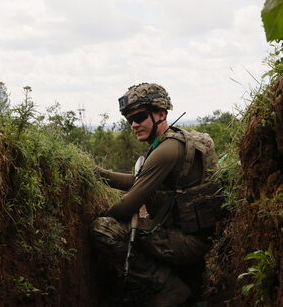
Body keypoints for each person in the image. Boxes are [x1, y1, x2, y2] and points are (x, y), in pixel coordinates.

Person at [91, 83, 215, 307]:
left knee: (103, 229)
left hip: (185, 243)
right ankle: (184, 280)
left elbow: (128, 205)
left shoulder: (166, 149)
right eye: (130, 120)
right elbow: (138, 180)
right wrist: (96, 174)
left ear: (161, 114)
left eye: (139, 117)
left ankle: (169, 286)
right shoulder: (177, 140)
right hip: (193, 238)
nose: (134, 125)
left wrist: (100, 214)